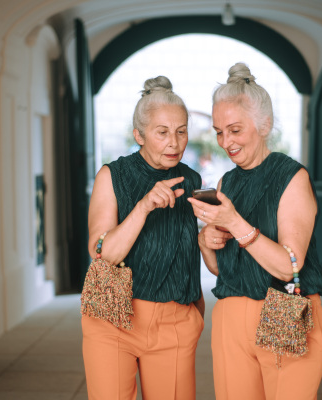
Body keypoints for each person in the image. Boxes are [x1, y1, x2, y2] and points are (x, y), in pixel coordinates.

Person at [188, 63, 322, 399]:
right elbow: (226, 269)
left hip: (283, 309)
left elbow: (288, 267)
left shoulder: (292, 177)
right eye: (219, 131)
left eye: (235, 129)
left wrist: (235, 223)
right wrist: (206, 243)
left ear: (264, 124)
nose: (225, 142)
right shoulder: (227, 182)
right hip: (230, 317)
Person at [83, 76, 204, 400]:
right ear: (139, 134)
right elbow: (100, 251)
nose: (174, 143)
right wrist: (144, 206)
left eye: (181, 131)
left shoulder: (191, 179)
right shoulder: (113, 175)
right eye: (162, 132)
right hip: (112, 317)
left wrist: (193, 314)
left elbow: (190, 253)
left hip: (173, 322)